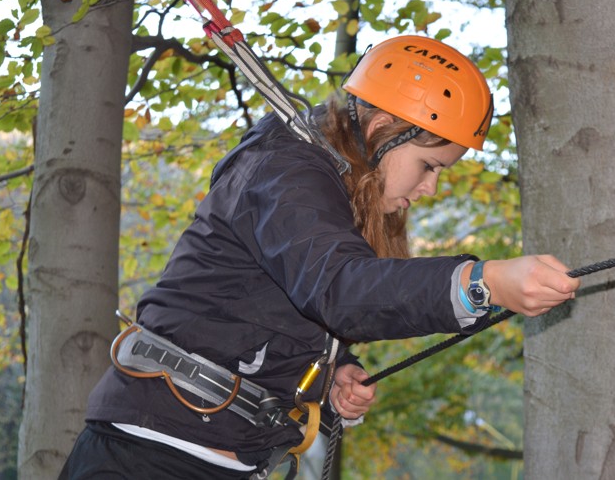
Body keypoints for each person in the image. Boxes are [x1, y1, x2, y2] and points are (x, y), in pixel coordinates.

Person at [59, 35, 580, 479]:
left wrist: (330, 375)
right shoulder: (285, 170)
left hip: (204, 453)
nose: (430, 189)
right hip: (150, 455)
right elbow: (342, 289)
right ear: (381, 129)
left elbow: (271, 309)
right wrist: (481, 282)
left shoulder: (324, 186)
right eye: (428, 166)